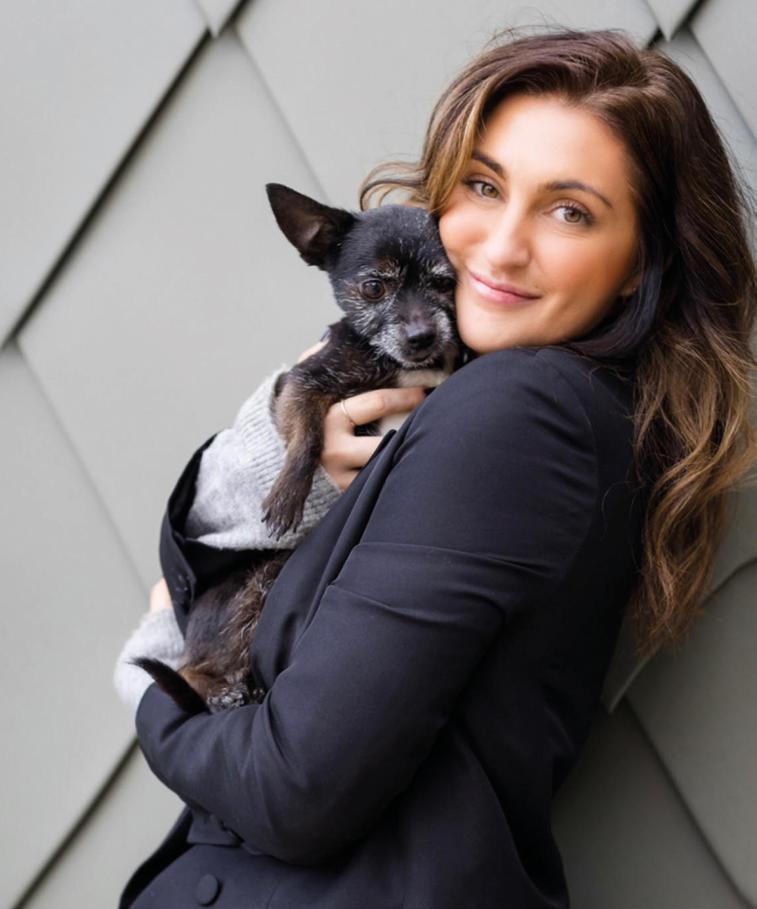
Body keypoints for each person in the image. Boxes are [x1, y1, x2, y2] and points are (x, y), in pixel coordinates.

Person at [113, 25, 756, 908]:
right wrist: (283, 444)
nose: (498, 246)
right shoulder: (492, 389)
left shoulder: (521, 410)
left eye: (569, 211)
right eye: (483, 186)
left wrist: (153, 686)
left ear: (639, 265)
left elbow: (293, 788)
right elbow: (210, 552)